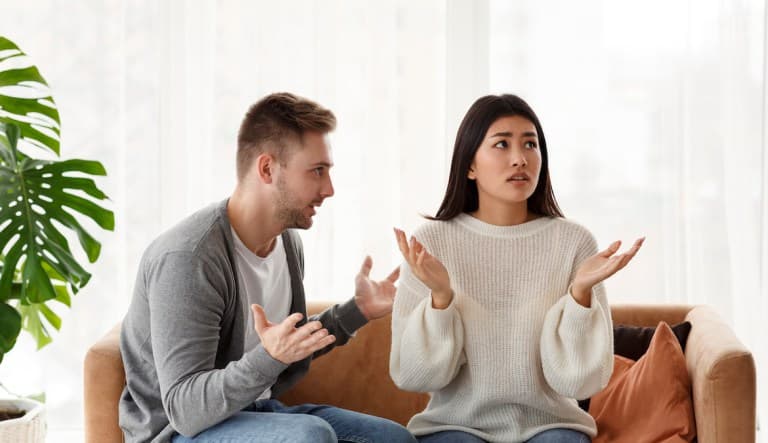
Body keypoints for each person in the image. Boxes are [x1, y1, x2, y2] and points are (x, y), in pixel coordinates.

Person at [119, 92, 417, 443]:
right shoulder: (189, 258)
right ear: (267, 169)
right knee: (311, 438)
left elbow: (287, 344)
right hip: (178, 433)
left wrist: (357, 311)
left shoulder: (287, 244)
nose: (329, 189)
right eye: (317, 171)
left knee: (392, 439)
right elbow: (185, 410)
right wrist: (268, 357)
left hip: (255, 413)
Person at [389, 94, 644, 443]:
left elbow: (580, 382)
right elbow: (414, 375)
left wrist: (580, 296)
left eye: (530, 144)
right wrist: (441, 299)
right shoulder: (431, 243)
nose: (519, 159)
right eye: (501, 144)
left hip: (552, 425)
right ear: (470, 165)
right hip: (454, 426)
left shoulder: (574, 242)